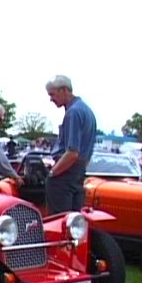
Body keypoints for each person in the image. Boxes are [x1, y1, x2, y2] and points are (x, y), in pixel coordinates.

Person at [44, 75, 97, 215]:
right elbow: (87, 152)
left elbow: (72, 152)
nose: (51, 99)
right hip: (78, 172)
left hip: (66, 174)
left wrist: (53, 173)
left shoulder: (73, 112)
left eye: (52, 94)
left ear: (64, 90)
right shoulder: (87, 111)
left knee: (59, 220)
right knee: (73, 221)